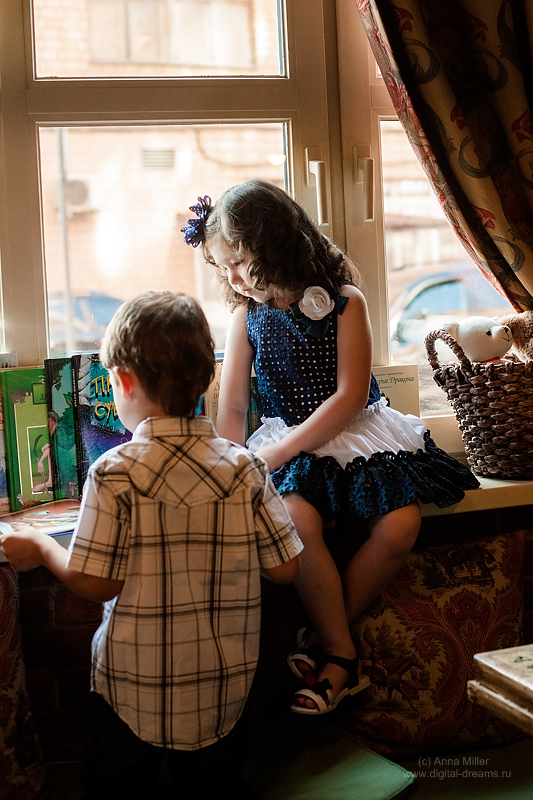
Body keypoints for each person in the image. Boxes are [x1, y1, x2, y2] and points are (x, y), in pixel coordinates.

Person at [181, 180, 480, 716]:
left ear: (275, 246)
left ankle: (321, 640)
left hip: (355, 434)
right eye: (223, 268)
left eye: (240, 263)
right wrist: (230, 466)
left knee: (400, 525)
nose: (232, 278)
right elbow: (232, 408)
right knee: (297, 520)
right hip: (289, 441)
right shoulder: (247, 318)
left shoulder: (344, 302)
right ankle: (342, 657)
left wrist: (276, 455)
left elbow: (349, 398)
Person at [0, 290, 303, 800]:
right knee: (216, 787)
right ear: (207, 378)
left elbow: (98, 583)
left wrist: (42, 549)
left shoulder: (115, 473)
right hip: (224, 685)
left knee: (116, 788)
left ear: (123, 381)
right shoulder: (246, 468)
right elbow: (286, 570)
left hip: (131, 688)